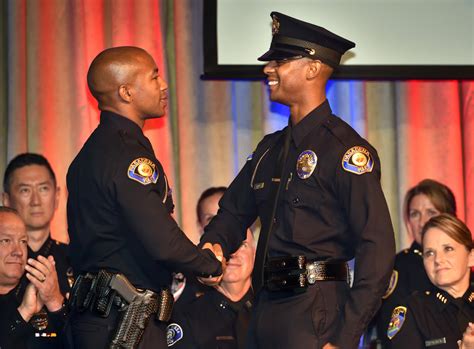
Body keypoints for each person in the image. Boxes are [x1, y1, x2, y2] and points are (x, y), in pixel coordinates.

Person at [199, 12, 395, 349]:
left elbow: (377, 249)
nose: (268, 69)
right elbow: (232, 213)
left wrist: (346, 337)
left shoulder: (345, 152)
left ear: (313, 68)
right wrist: (211, 246)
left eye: (280, 60)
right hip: (264, 308)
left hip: (316, 311)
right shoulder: (269, 149)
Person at [65, 46, 223, 349]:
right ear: (126, 92)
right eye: (154, 77)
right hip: (122, 325)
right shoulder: (128, 156)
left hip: (100, 319)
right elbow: (161, 240)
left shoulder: (91, 153)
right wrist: (209, 265)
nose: (164, 86)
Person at [374, 179, 457, 345]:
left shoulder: (462, 260)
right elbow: (391, 331)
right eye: (415, 214)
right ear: (408, 222)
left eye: (431, 212)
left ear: (450, 216)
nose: (422, 222)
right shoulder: (397, 267)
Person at [386, 214, 474, 349]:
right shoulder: (412, 311)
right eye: (430, 253)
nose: (438, 260)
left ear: (471, 257)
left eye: (448, 249)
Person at [168, 230, 255, 349]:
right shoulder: (189, 317)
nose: (234, 254)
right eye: (228, 245)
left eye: (243, 245)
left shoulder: (270, 311)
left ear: (255, 254)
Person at [2, 153, 74, 296]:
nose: (36, 201)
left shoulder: (75, 259)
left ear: (57, 196)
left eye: (43, 189)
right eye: (25, 190)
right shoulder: (5, 261)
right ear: (6, 200)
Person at [0, 207, 66, 349]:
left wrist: (55, 302)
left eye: (23, 241)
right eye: (6, 240)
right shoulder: (29, 304)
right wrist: (23, 312)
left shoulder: (40, 292)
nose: (18, 251)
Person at [172, 187, 227, 310]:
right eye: (211, 219)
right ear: (199, 226)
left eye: (223, 217)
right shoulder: (186, 278)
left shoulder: (257, 272)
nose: (219, 225)